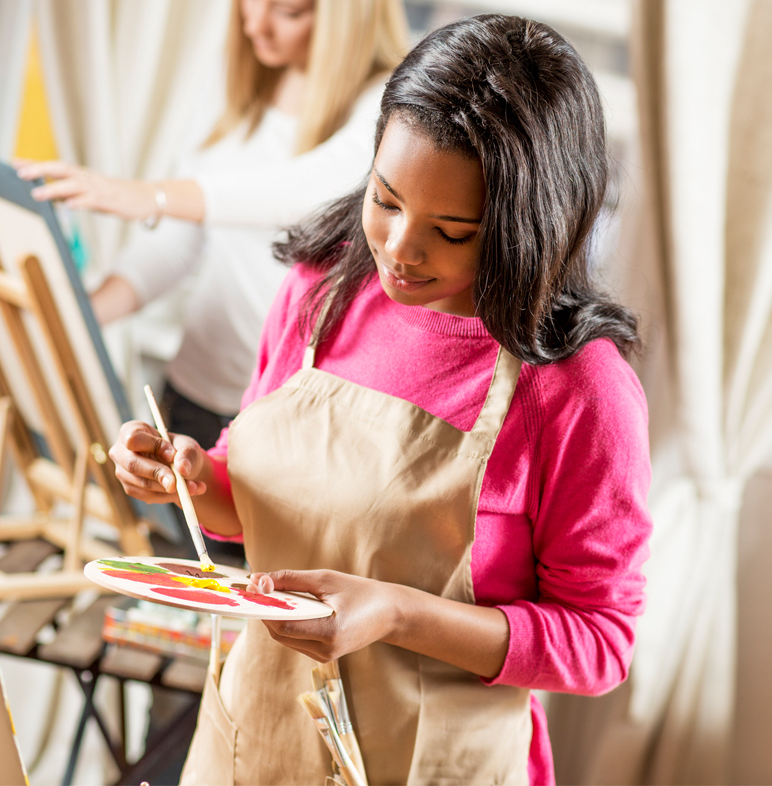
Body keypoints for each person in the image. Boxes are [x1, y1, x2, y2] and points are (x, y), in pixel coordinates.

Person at [108, 14, 652, 785]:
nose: (398, 248)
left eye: (452, 230)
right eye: (386, 198)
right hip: (253, 744)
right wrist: (194, 482)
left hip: (433, 763)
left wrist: (396, 612)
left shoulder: (578, 392)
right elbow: (257, 503)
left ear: (526, 225)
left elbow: (600, 642)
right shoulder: (321, 290)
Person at [16, 0, 408, 451]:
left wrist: (153, 195)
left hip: (285, 412)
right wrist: (83, 314)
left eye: (288, 12)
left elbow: (311, 192)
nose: (255, 24)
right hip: (191, 390)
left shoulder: (386, 103)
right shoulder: (235, 86)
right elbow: (179, 241)